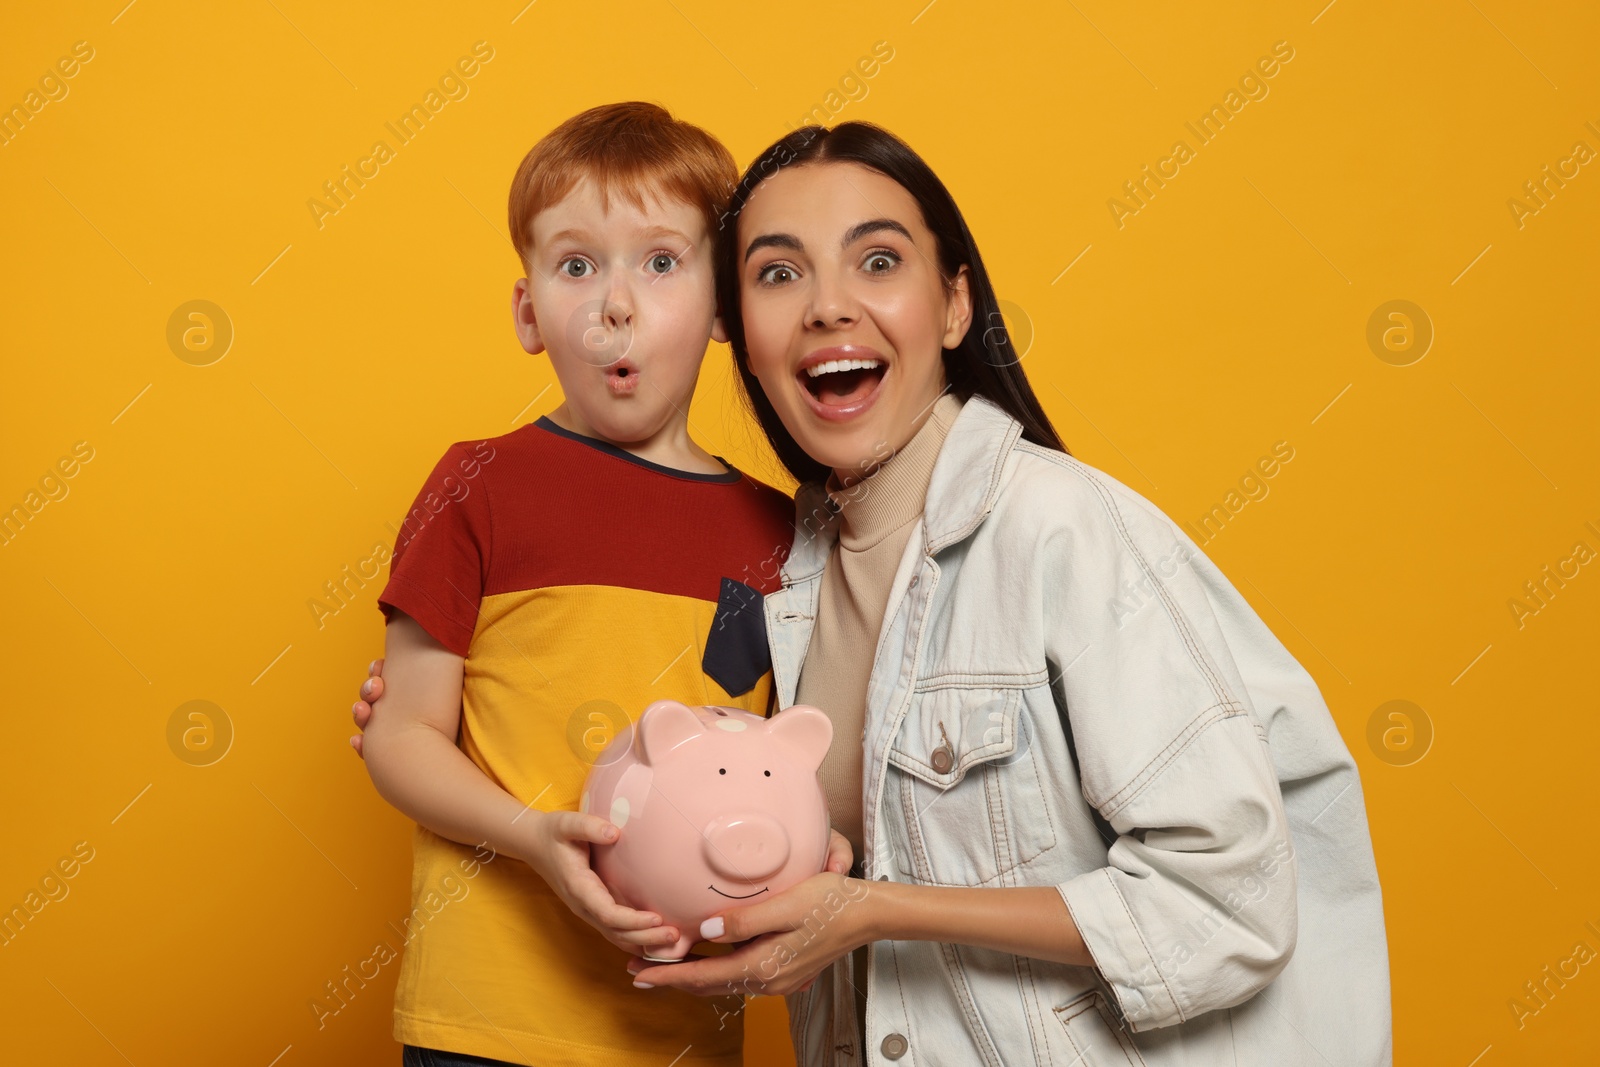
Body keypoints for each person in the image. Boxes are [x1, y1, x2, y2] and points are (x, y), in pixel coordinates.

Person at [617, 123, 1393, 1066]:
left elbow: (1228, 898)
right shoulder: (784, 580)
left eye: (877, 261)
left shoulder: (1063, 530)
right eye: (779, 274)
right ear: (737, 335)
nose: (828, 306)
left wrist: (872, 913)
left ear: (953, 307)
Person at [354, 102, 847, 1067]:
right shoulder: (477, 483)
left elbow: (799, 760)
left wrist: (822, 853)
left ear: (722, 310)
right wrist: (538, 838)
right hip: (484, 1015)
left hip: (680, 1024)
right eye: (577, 265)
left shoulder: (787, 531)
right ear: (530, 311)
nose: (615, 302)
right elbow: (402, 736)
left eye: (661, 262)